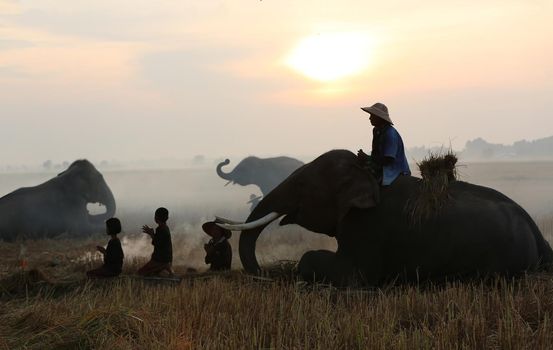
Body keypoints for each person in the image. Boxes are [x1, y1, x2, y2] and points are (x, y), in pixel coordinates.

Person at [357, 102, 411, 186]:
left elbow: (388, 159)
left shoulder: (390, 134)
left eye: (372, 116)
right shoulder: (376, 131)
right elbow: (375, 154)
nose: (370, 118)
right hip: (381, 165)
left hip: (393, 169)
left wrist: (367, 158)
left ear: (379, 118)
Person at [137, 207, 174, 276]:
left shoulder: (160, 229)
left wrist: (151, 234)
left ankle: (164, 267)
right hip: (166, 258)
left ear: (157, 218)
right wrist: (152, 234)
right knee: (153, 273)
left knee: (141, 272)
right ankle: (164, 268)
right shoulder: (165, 228)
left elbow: (157, 243)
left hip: (160, 259)